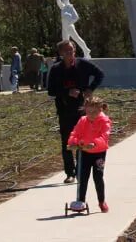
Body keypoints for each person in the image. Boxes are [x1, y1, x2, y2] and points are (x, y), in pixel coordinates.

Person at [48, 39, 106, 184]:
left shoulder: (83, 64)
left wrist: (90, 89)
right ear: (61, 53)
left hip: (82, 110)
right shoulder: (56, 69)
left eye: (72, 50)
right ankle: (70, 173)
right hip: (64, 110)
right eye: (66, 51)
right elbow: (51, 90)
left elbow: (100, 74)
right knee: (67, 142)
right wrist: (67, 92)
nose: (70, 53)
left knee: (83, 140)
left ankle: (80, 170)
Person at [66, 96, 112, 214]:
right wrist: (72, 142)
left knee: (98, 177)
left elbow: (104, 136)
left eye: (95, 112)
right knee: (82, 177)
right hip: (84, 152)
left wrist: (94, 143)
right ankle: (81, 201)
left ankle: (101, 201)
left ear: (100, 110)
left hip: (98, 153)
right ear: (85, 109)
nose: (91, 114)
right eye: (89, 112)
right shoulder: (83, 120)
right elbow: (75, 133)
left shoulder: (104, 120)